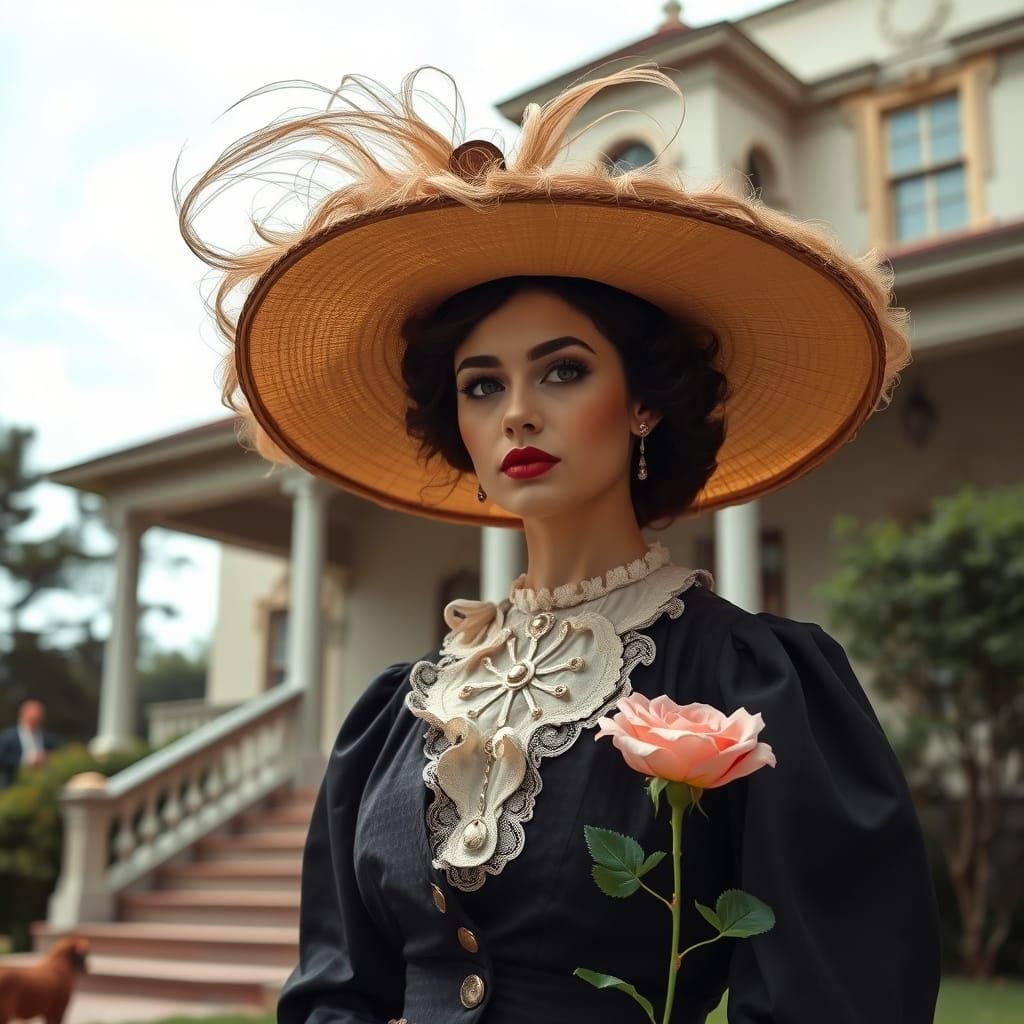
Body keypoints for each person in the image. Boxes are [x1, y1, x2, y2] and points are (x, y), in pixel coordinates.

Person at [178, 65, 941, 1023]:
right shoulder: (393, 718)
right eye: (482, 386)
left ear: (644, 403)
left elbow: (836, 1000)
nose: (518, 414)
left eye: (563, 371)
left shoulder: (752, 682)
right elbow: (335, 994)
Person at [0, 698, 58, 789]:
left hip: (41, 785)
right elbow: (2, 759)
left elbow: (56, 756)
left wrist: (47, 758)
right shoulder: (8, 737)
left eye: (38, 719)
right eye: (33, 719)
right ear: (23, 716)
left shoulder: (48, 738)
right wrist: (27, 760)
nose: (36, 722)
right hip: (13, 785)